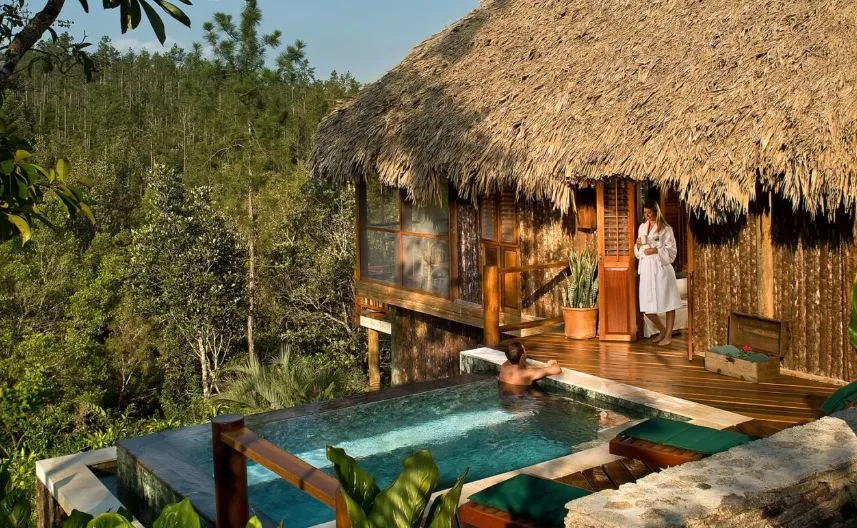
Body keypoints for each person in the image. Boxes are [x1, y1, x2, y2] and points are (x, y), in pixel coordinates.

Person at [634, 200, 683, 346]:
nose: (647, 216)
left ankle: (668, 336)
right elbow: (637, 254)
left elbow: (672, 251)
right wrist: (637, 246)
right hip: (647, 270)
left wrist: (656, 250)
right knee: (646, 308)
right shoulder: (642, 227)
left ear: (656, 212)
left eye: (650, 213)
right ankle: (663, 330)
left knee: (669, 303)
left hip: (662, 269)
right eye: (645, 213)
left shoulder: (666, 229)